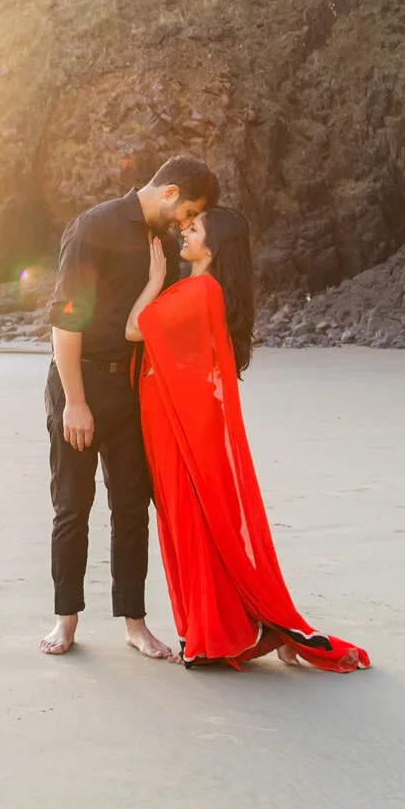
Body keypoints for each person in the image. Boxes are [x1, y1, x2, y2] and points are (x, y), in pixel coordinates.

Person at [126, 206, 371, 672]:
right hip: (178, 422)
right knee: (198, 520)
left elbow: (134, 329)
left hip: (181, 427)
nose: (183, 233)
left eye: (194, 229)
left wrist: (154, 280)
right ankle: (236, 626)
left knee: (195, 521)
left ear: (214, 244)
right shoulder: (202, 289)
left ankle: (226, 630)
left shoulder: (200, 288)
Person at [39, 155, 218, 659]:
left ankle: (134, 623)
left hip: (131, 390)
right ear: (170, 192)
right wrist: (76, 402)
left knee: (132, 508)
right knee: (72, 506)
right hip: (77, 382)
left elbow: (156, 323)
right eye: (188, 212)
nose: (185, 224)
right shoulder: (93, 228)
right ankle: (66, 619)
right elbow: (65, 321)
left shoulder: (161, 245)